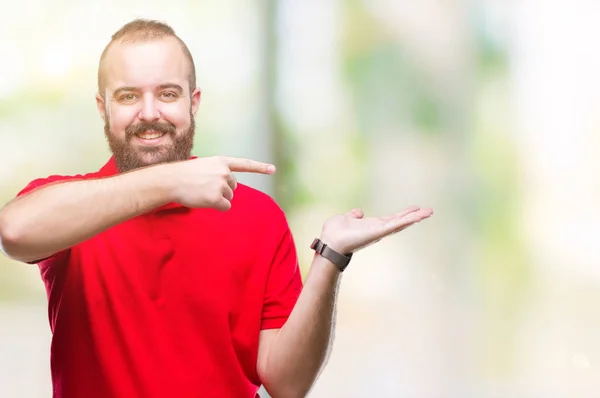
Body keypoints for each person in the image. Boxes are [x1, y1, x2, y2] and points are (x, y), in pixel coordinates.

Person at [0, 19, 433, 398]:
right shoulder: (70, 205)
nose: (149, 113)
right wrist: (171, 179)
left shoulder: (258, 217)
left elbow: (288, 384)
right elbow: (14, 232)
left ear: (194, 102)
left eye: (167, 94)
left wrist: (331, 258)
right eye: (129, 96)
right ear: (103, 107)